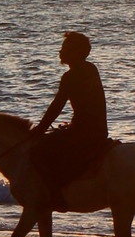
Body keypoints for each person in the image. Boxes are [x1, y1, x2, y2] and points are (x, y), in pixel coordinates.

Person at [30, 30, 110, 211]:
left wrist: (40, 129)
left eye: (65, 48)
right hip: (98, 130)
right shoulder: (91, 68)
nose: (61, 52)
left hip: (84, 132)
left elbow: (57, 106)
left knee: (38, 152)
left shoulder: (70, 76)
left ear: (76, 52)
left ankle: (55, 196)